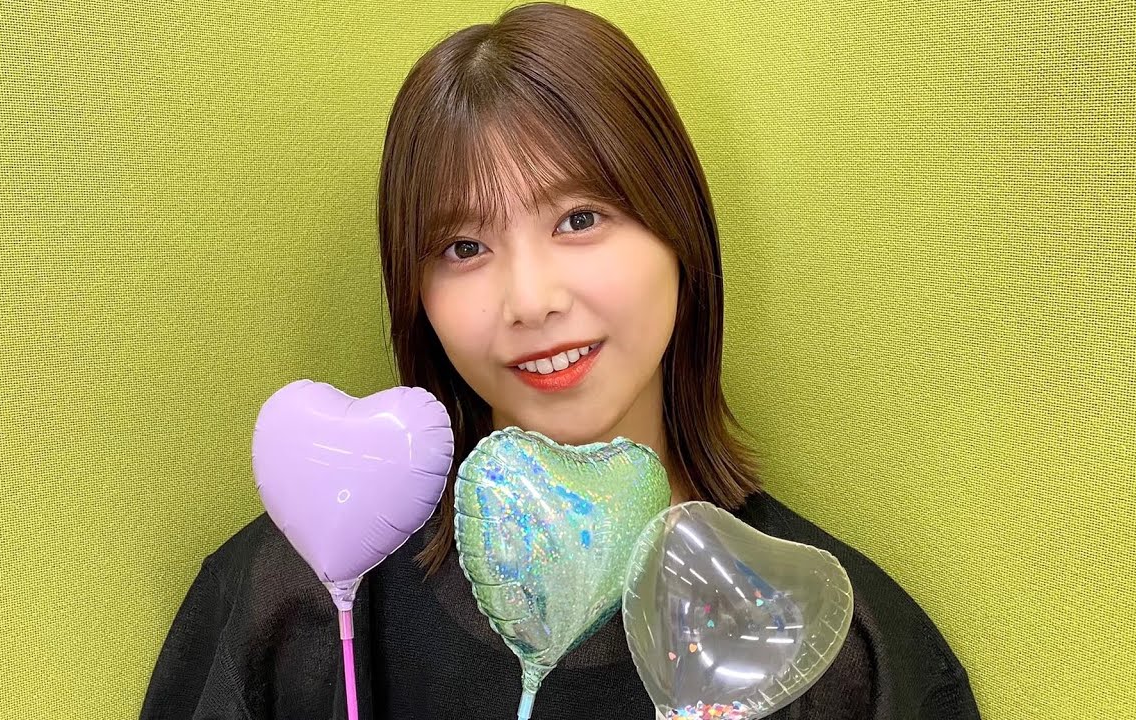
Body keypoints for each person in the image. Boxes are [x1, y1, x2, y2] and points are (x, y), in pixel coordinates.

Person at [141, 3, 981, 718]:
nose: (530, 299)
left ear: (679, 230)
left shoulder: (834, 649)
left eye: (579, 219)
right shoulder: (305, 601)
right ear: (415, 294)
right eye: (464, 246)